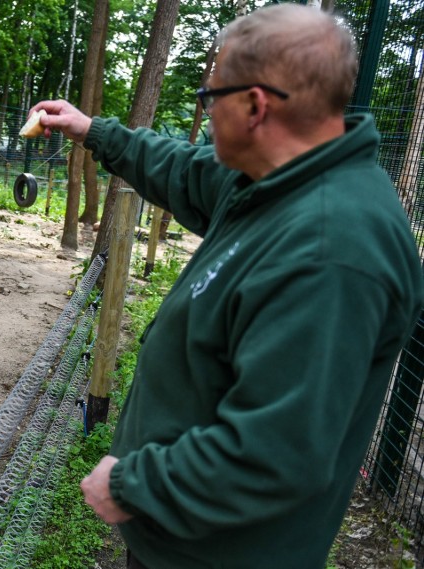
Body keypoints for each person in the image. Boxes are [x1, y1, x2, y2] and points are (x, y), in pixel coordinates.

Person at [30, 4, 424, 568]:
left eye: (210, 98)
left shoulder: (330, 251)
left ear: (255, 105)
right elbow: (188, 170)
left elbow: (275, 452)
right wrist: (92, 130)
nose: (206, 112)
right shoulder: (278, 179)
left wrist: (132, 486)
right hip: (182, 538)